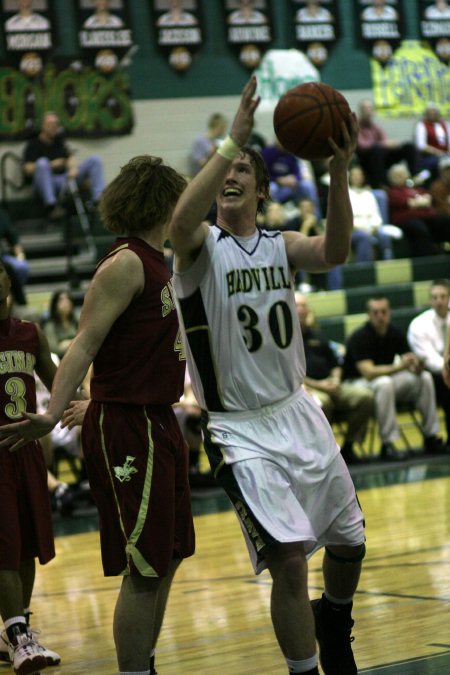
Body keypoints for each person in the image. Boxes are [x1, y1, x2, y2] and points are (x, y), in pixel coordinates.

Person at [169, 76, 365, 675]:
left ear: (261, 193)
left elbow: (335, 252)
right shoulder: (201, 249)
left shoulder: (282, 245)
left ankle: (334, 618)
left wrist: (337, 170)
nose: (229, 180)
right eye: (224, 176)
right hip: (240, 430)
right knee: (287, 561)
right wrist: (231, 142)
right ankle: (303, 671)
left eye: (242, 175)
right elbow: (178, 222)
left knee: (350, 543)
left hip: (297, 410)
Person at [0, 155, 195, 675]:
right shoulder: (127, 262)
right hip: (131, 426)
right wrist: (55, 411)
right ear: (163, 201)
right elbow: (84, 343)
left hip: (157, 418)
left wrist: (95, 399)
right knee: (145, 565)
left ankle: (145, 662)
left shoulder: (159, 260)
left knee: (171, 553)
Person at [0, 259, 60, 674]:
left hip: (27, 453)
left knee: (27, 545)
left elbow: (59, 381)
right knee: (3, 547)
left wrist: (68, 410)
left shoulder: (29, 334)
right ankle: (18, 633)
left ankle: (16, 632)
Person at [342, 296, 448, 461]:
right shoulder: (359, 336)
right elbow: (368, 372)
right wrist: (401, 367)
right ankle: (388, 444)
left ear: (389, 313)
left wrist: (416, 366)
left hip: (387, 382)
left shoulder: (395, 332)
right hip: (357, 384)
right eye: (375, 313)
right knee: (384, 383)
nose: (380, 316)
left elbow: (408, 359)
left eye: (383, 312)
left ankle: (431, 436)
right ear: (368, 315)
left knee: (424, 378)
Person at [296, 292, 374, 464]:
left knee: (365, 398)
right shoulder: (286, 339)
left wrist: (336, 379)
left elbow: (336, 363)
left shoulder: (317, 335)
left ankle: (349, 446)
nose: (300, 310)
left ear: (308, 309)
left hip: (332, 384)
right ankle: (325, 454)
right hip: (309, 388)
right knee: (323, 403)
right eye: (297, 306)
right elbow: (294, 375)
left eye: (303, 306)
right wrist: (321, 385)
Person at [23, 111, 105, 220]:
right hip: (43, 184)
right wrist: (51, 165)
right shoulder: (33, 144)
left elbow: (70, 157)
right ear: (43, 126)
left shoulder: (59, 141)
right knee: (42, 163)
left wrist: (73, 168)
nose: (54, 127)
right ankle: (51, 206)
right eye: (51, 125)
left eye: (56, 124)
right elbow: (27, 169)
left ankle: (98, 201)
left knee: (95, 160)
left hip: (63, 180)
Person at [408, 279, 450, 446]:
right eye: (435, 297)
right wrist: (447, 368)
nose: (439, 301)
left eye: (443, 296)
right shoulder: (418, 325)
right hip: (433, 374)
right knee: (444, 384)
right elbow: (429, 358)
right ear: (429, 300)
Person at [387, 162, 450, 257]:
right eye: (397, 175)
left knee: (445, 220)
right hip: (406, 219)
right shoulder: (393, 192)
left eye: (402, 174)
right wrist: (418, 202)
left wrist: (416, 202)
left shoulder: (415, 188)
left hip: (427, 216)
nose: (400, 177)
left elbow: (428, 198)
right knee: (420, 229)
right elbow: (406, 203)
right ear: (392, 177)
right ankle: (426, 260)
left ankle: (445, 253)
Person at [356, 98, 416, 189]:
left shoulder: (375, 127)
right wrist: (383, 144)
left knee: (408, 147)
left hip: (381, 157)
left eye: (370, 109)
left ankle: (415, 177)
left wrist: (393, 144)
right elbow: (363, 146)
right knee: (376, 149)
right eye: (366, 109)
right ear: (361, 111)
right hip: (366, 159)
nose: (368, 112)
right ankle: (382, 184)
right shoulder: (356, 126)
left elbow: (385, 140)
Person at [348, 164, 401, 261]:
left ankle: (388, 265)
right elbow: (346, 219)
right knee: (364, 237)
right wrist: (362, 229)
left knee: (384, 236)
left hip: (372, 228)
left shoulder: (369, 195)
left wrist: (374, 227)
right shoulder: (345, 195)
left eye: (359, 175)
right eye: (354, 175)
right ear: (350, 177)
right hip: (354, 229)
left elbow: (376, 215)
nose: (357, 177)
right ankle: (364, 269)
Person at [262, 138, 321, 214]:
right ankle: (267, 216)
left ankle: (317, 217)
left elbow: (298, 172)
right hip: (275, 185)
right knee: (271, 189)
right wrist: (278, 179)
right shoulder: (267, 153)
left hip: (291, 186)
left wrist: (295, 179)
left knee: (308, 185)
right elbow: (263, 174)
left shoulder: (291, 153)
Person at [414, 102, 450, 180]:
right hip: (430, 157)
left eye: (434, 112)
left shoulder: (445, 124)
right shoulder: (421, 125)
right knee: (438, 163)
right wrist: (438, 153)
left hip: (446, 154)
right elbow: (421, 146)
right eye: (430, 112)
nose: (432, 114)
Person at [0, 206, 29, 300]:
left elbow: (13, 239)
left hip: (1, 258)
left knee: (22, 267)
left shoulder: (1, 214)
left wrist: (20, 255)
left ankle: (13, 298)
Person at [188, 112, 228, 177]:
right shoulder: (199, 141)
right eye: (222, 128)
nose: (223, 131)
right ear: (215, 126)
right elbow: (201, 164)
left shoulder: (219, 141)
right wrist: (213, 152)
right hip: (201, 177)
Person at [42, 289, 78, 359]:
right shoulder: (50, 326)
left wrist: (65, 343)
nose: (66, 302)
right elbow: (55, 350)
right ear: (55, 305)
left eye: (68, 299)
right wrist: (75, 341)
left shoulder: (77, 321)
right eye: (61, 300)